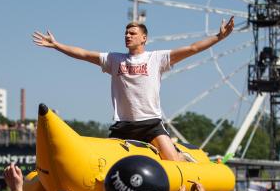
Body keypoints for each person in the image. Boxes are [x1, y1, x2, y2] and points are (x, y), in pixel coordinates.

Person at [33, 18, 235, 161]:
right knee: (106, 164)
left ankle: (183, 155)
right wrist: (57, 45)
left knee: (172, 160)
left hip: (150, 124)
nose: (127, 35)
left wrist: (219, 36)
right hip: (123, 126)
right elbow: (84, 54)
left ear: (144, 38)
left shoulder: (157, 58)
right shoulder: (114, 59)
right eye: (125, 33)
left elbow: (192, 49)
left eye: (132, 33)